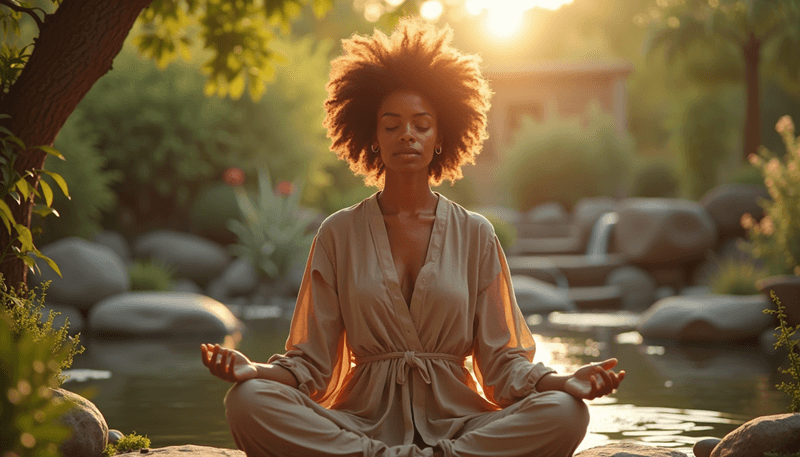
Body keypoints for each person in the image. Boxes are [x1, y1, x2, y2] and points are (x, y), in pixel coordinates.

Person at [201, 16, 625, 457]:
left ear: (441, 135)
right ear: (373, 136)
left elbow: (503, 364)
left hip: (460, 425)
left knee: (566, 411)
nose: (407, 134)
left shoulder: (475, 234)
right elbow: (312, 364)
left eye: (421, 124)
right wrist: (252, 371)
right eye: (392, 125)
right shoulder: (338, 233)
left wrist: (564, 381)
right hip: (359, 424)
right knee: (247, 402)